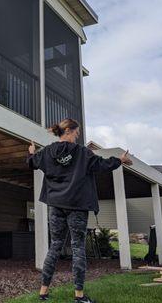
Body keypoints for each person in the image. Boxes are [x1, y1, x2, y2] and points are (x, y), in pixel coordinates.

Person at [27, 118, 133, 303]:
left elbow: (31, 162)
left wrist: (31, 153)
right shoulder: (82, 153)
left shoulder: (47, 152)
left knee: (55, 246)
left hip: (56, 205)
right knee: (77, 247)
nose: (78, 135)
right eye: (77, 132)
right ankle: (79, 296)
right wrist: (120, 160)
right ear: (68, 130)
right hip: (76, 206)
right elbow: (102, 164)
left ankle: (43, 292)